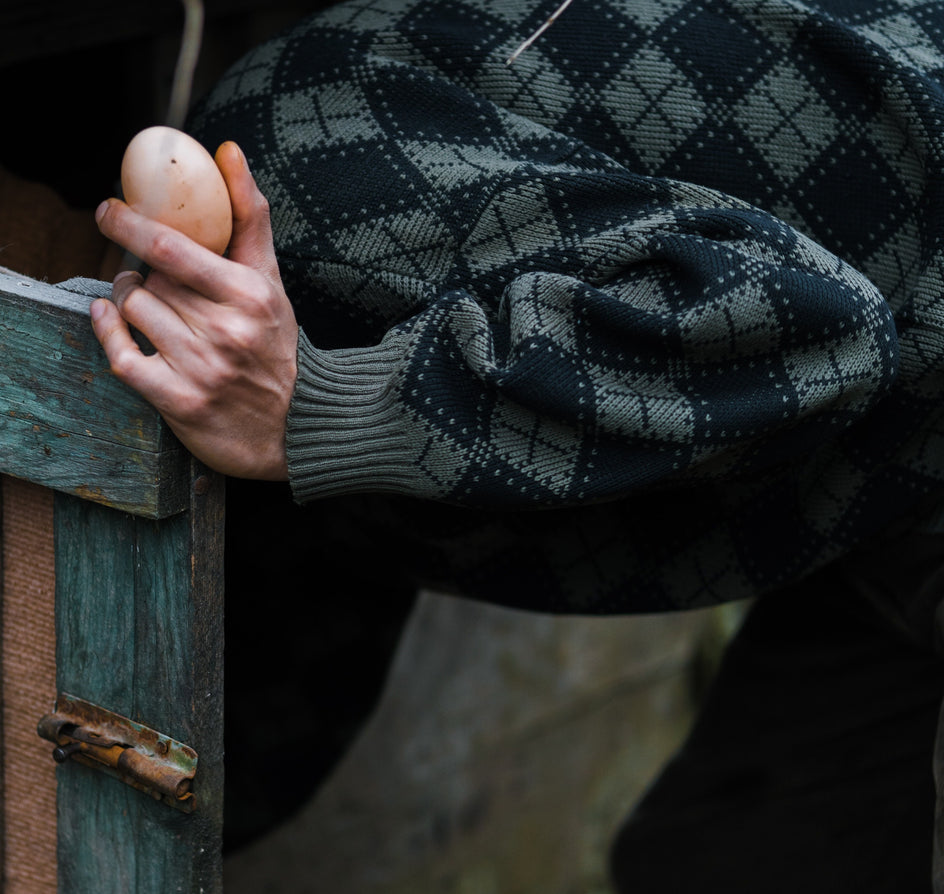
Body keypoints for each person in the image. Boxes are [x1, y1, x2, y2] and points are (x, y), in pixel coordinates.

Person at [89, 0, 944, 888]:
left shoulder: (319, 206)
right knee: (717, 856)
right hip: (886, 442)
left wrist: (325, 408)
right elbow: (286, 692)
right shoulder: (279, 385)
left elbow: (818, 323)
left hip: (898, 354)